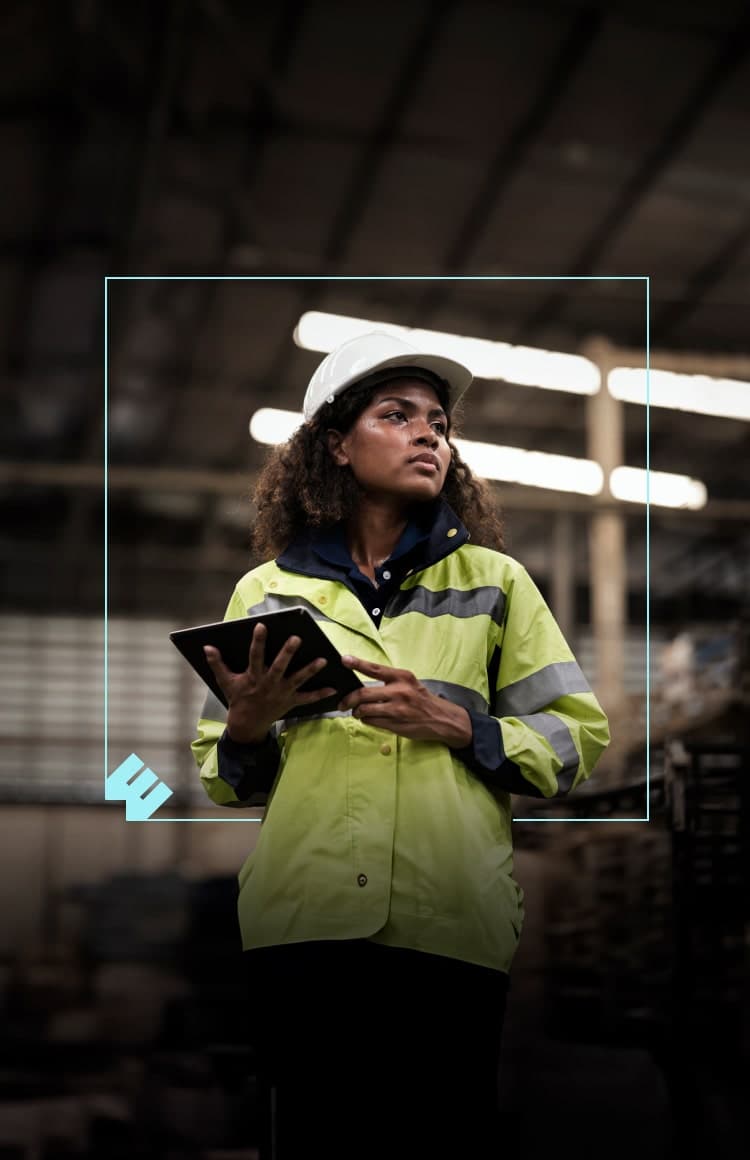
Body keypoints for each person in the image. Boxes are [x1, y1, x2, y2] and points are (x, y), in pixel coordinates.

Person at [191, 331, 610, 1159]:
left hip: (446, 919)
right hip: (304, 922)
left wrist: (462, 725)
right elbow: (226, 778)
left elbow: (575, 740)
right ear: (336, 447)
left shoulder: (496, 584)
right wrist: (244, 727)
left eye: (439, 423)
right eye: (398, 415)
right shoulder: (267, 592)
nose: (430, 435)